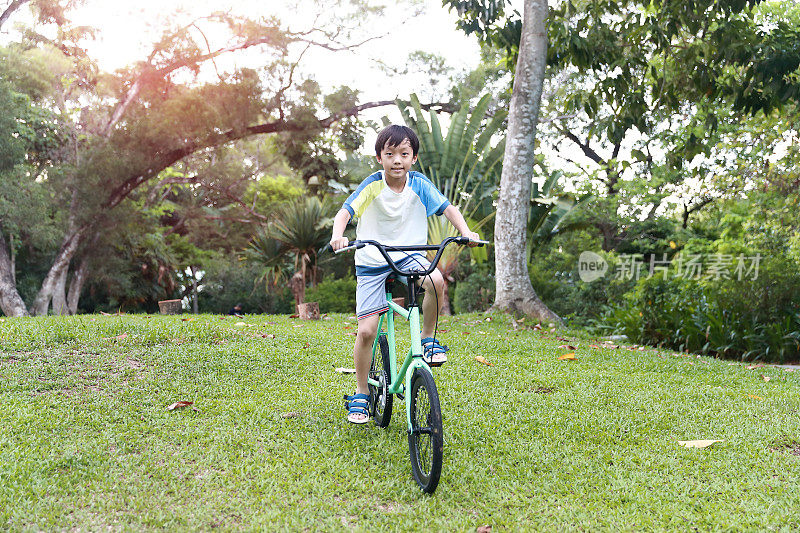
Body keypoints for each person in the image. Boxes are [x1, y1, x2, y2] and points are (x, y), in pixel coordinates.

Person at [329, 124, 480, 424]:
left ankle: (427, 340)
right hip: (373, 258)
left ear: (413, 159)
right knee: (368, 330)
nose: (397, 160)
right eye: (390, 154)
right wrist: (338, 234)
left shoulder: (420, 184)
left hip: (409, 255)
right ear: (379, 158)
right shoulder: (372, 186)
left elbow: (449, 209)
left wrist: (465, 232)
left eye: (404, 154)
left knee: (436, 281)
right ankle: (361, 392)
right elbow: (345, 212)